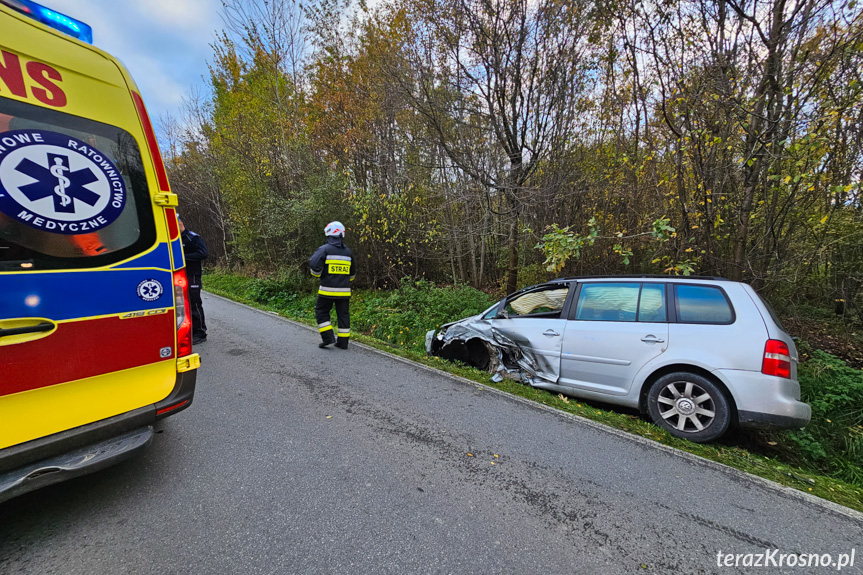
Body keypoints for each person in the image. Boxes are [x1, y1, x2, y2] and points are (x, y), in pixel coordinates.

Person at [309, 221, 356, 349]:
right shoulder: (348, 252)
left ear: (329, 233)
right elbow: (352, 274)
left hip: (327, 290)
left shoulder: (324, 249)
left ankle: (328, 337)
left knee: (322, 311)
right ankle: (343, 342)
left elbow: (313, 263)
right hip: (344, 291)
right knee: (343, 315)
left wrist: (317, 274)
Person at [178, 214, 208, 344]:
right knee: (182, 305)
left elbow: (203, 253)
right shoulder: (173, 240)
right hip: (179, 277)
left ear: (181, 224)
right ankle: (188, 331)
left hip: (193, 276)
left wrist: (183, 257)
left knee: (195, 304)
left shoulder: (193, 238)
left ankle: (201, 332)